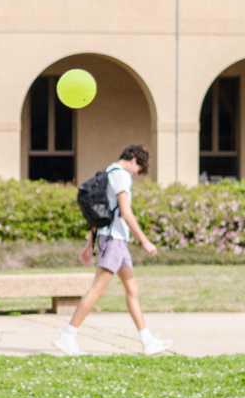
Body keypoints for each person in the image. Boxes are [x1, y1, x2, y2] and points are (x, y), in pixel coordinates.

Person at [56, 144, 168, 356]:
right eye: (139, 169)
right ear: (134, 159)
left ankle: (148, 341)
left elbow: (100, 213)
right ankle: (67, 335)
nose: (138, 174)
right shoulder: (121, 176)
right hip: (114, 241)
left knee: (132, 289)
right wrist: (144, 241)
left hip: (115, 240)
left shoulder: (108, 172)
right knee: (97, 289)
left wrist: (89, 245)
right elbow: (126, 212)